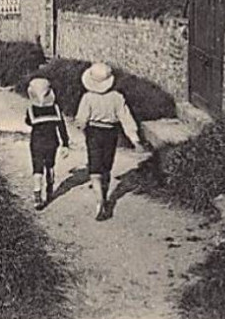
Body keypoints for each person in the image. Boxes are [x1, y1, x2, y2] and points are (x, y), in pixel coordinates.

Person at [73, 61, 143, 222]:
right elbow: (126, 118)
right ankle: (104, 195)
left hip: (94, 133)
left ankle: (100, 202)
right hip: (111, 133)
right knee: (106, 167)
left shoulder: (88, 97)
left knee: (94, 169)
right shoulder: (117, 97)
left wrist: (80, 127)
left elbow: (81, 120)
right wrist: (135, 139)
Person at [23, 77, 69, 209]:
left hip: (36, 141)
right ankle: (50, 187)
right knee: (50, 164)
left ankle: (37, 196)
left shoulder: (31, 110)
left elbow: (28, 122)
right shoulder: (56, 109)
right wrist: (65, 143)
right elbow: (61, 127)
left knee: (37, 168)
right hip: (52, 141)